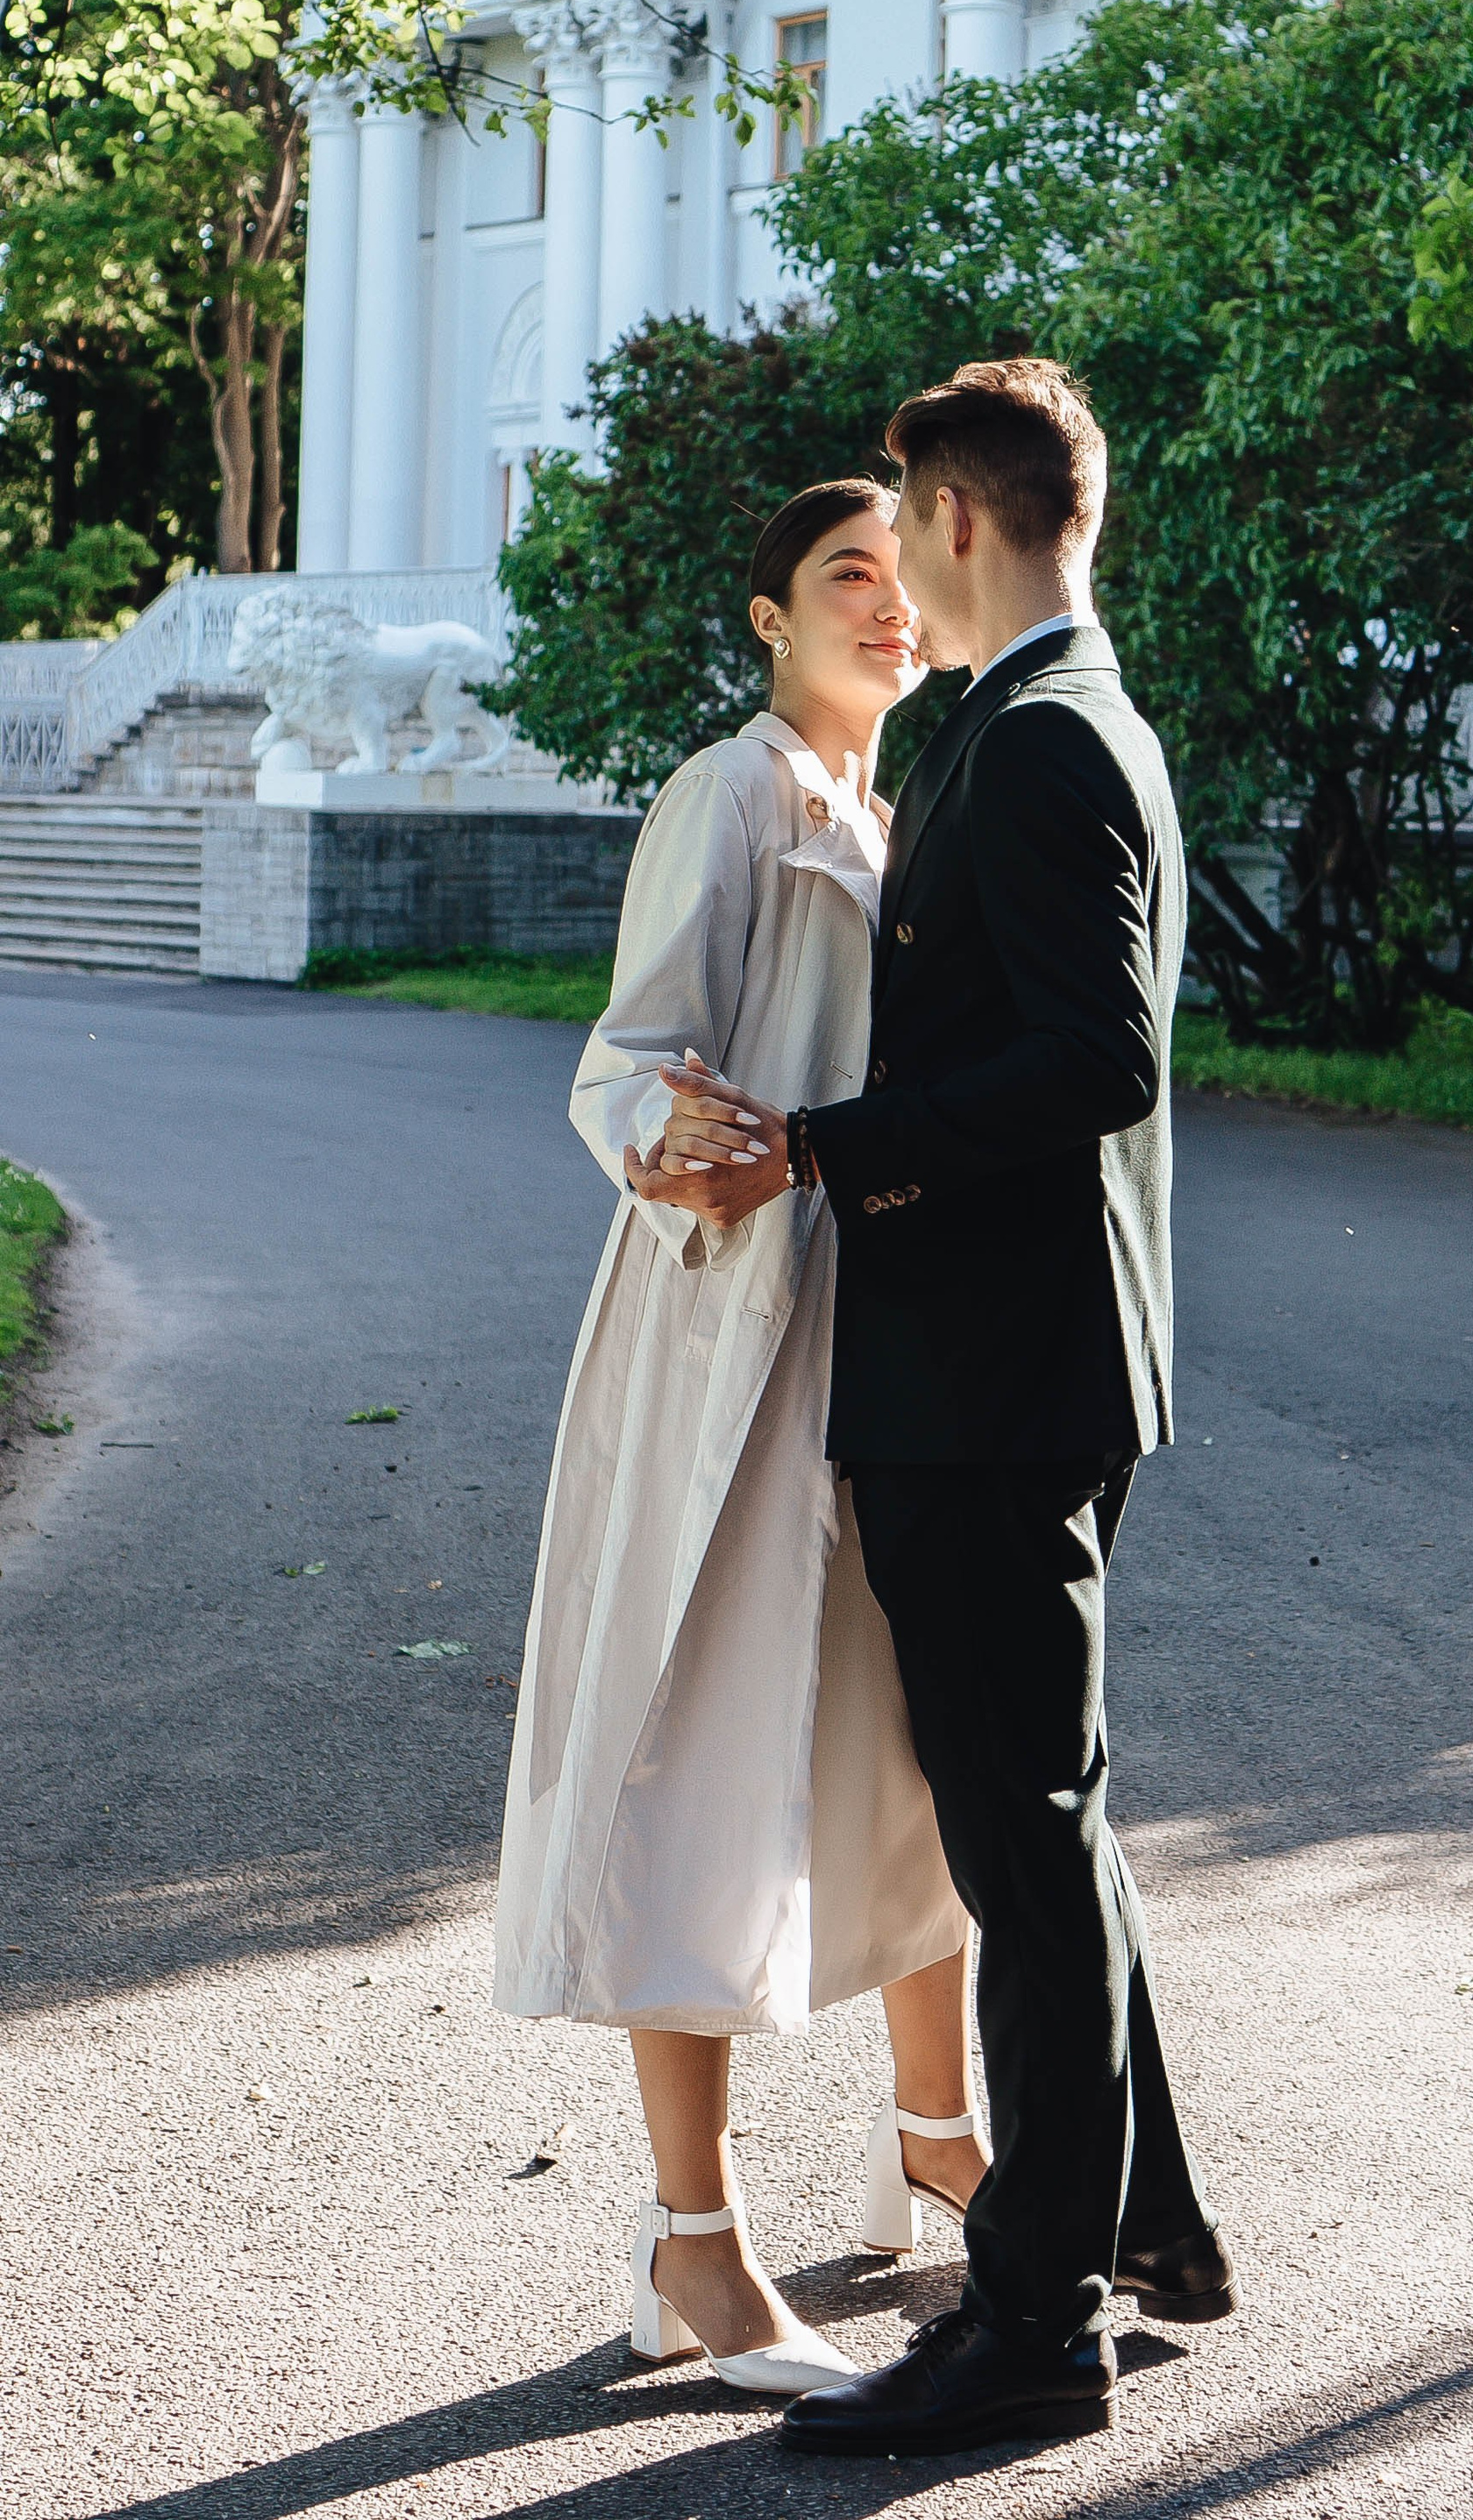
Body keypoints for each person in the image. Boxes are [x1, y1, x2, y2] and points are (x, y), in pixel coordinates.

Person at [655, 359, 1234, 2460]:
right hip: (1010, 1371)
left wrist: (819, 1149)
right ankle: (1142, 2229)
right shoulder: (1022, 723)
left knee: (1025, 1839)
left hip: (995, 1390)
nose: (886, 557)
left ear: (962, 521)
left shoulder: (1054, 742)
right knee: (1044, 1816)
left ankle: (1030, 2325)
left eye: (898, 517)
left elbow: (1097, 1061)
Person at [492, 477, 988, 2401]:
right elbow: (626, 1053)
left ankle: (933, 2135)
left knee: (917, 1740)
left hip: (890, 1340)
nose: (881, 605)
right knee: (690, 1751)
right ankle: (691, 2241)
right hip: (728, 1335)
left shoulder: (899, 808)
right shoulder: (734, 787)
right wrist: (664, 1149)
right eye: (839, 578)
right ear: (769, 617)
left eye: (898, 578)